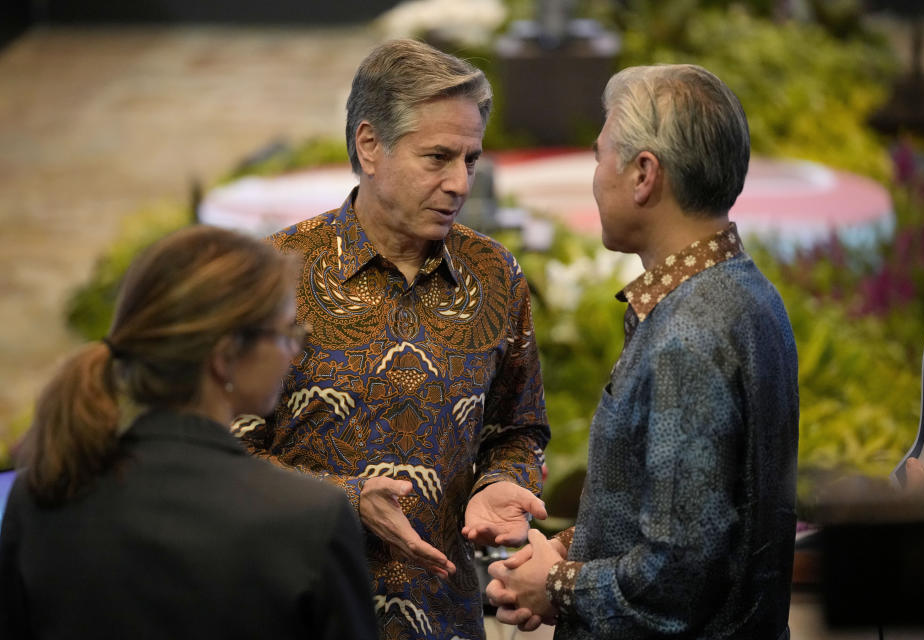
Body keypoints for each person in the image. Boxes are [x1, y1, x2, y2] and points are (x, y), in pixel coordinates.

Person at [232, 39, 550, 640]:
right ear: (369, 145)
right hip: (298, 613)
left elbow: (519, 428)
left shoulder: (495, 276)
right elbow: (220, 457)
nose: (460, 183)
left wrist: (503, 482)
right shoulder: (276, 273)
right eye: (437, 158)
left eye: (471, 160)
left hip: (446, 619)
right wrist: (345, 499)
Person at [486, 63, 800, 639]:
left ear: (643, 175)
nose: (595, 176)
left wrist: (556, 588)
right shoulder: (750, 294)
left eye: (600, 157)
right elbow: (681, 513)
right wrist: (560, 557)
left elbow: (676, 576)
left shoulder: (690, 336)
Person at [0, 226, 378, 640]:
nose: (296, 349)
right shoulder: (311, 519)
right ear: (225, 357)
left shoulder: (42, 492)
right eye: (287, 332)